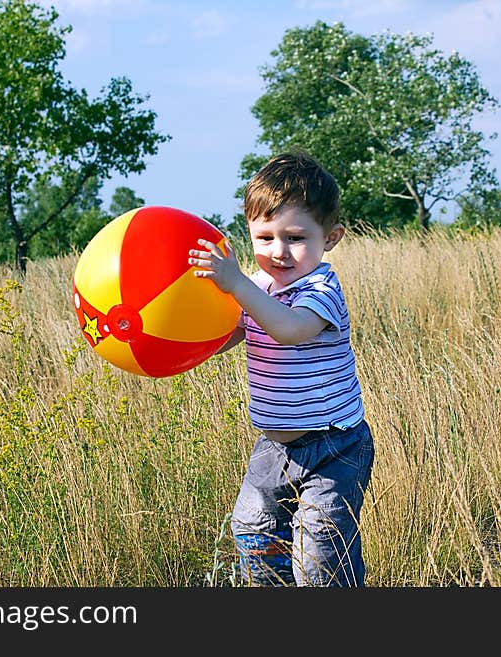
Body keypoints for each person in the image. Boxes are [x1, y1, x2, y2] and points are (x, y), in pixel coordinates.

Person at [187, 151, 374, 586]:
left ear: (331, 237)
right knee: (251, 530)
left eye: (295, 237)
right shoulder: (256, 288)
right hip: (274, 447)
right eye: (265, 237)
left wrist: (234, 285)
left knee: (320, 557)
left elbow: (290, 329)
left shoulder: (321, 288)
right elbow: (222, 338)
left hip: (334, 448)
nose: (279, 251)